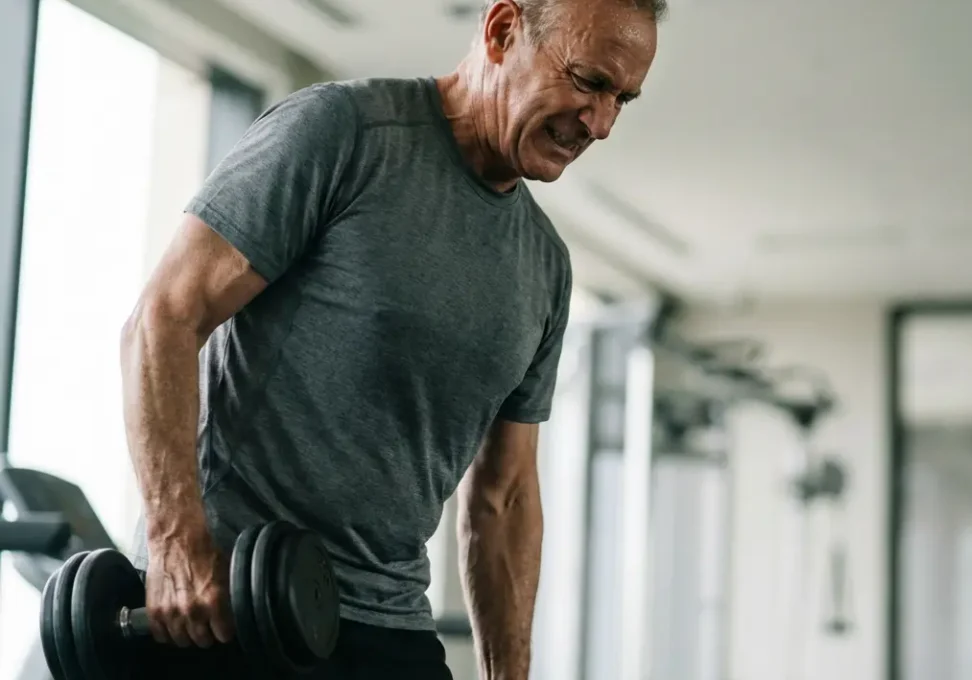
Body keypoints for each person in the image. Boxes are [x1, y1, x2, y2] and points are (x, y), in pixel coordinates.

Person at [119, 0, 662, 676]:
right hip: (236, 605)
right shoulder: (343, 134)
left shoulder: (545, 267)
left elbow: (506, 497)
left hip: (389, 627)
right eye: (588, 81)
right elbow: (164, 318)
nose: (602, 123)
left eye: (623, 99)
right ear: (501, 30)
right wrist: (175, 543)